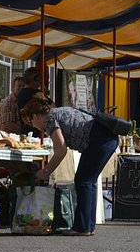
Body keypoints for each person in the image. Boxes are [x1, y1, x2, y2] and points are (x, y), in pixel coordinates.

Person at [25, 94, 118, 236]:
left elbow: (61, 149)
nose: (34, 126)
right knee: (88, 182)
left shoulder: (50, 119)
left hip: (98, 139)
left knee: (83, 181)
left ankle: (82, 228)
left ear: (36, 116)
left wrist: (46, 171)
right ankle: (88, 226)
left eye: (31, 121)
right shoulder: (57, 112)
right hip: (107, 137)